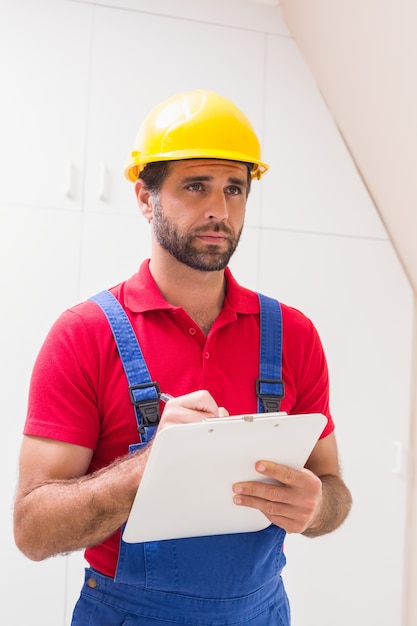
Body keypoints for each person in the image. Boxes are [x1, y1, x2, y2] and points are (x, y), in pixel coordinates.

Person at [13, 89, 352, 625]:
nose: (219, 209)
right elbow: (32, 531)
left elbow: (333, 489)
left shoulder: (294, 335)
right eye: (196, 186)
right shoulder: (84, 335)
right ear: (145, 198)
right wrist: (149, 465)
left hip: (262, 613)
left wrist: (318, 508)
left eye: (234, 189)